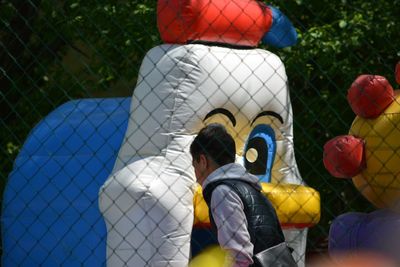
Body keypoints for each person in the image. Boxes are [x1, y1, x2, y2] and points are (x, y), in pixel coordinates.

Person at [190, 123, 296, 267]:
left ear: (202, 161)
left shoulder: (222, 192)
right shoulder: (250, 187)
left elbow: (239, 255)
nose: (195, 174)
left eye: (194, 165)